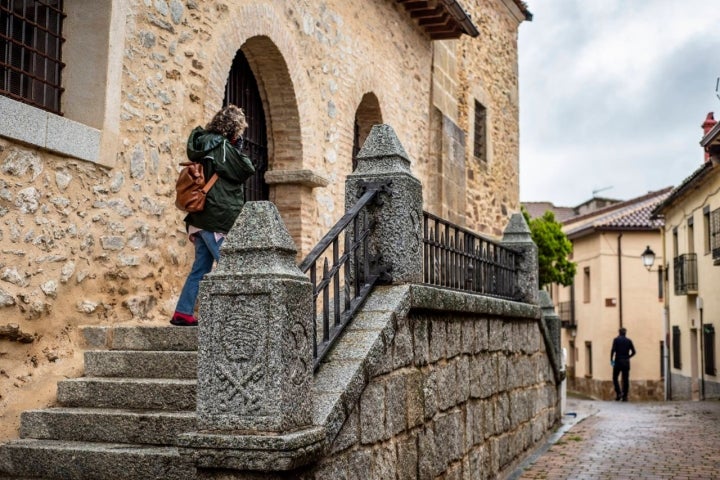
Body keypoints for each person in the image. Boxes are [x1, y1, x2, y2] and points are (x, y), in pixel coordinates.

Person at [170, 105, 255, 326]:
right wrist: (237, 148)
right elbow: (245, 169)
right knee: (232, 266)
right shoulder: (223, 147)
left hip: (199, 219)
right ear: (233, 129)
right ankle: (241, 318)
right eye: (240, 131)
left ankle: (183, 312)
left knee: (200, 268)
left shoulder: (202, 143)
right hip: (216, 217)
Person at [610, 327, 636, 401]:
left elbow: (613, 350)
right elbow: (634, 352)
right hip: (626, 362)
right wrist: (628, 357)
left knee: (615, 378)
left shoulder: (616, 340)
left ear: (619, 332)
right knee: (626, 379)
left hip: (618, 361)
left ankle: (618, 393)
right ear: (625, 333)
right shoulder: (629, 341)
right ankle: (625, 396)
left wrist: (611, 360)